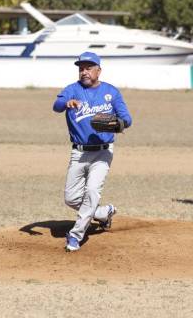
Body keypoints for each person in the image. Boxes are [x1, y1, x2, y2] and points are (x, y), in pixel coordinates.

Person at [52, 51, 132, 252]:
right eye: (81, 68)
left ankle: (75, 235)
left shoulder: (111, 92)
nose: (84, 72)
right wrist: (66, 103)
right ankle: (104, 213)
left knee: (92, 192)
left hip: (103, 153)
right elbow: (56, 105)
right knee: (71, 198)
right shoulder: (72, 89)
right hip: (79, 153)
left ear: (98, 70)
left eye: (88, 68)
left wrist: (113, 124)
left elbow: (127, 120)